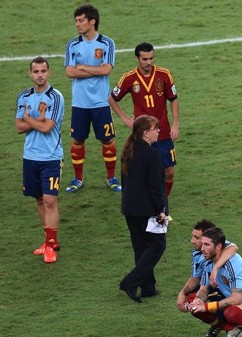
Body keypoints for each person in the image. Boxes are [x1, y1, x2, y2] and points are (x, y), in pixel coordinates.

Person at [109, 42, 180, 197]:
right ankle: (147, 203)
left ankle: (163, 202)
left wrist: (175, 124)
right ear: (137, 59)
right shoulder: (129, 78)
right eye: (145, 59)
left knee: (169, 171)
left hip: (163, 132)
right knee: (143, 172)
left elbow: (173, 99)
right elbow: (112, 98)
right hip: (142, 135)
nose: (149, 63)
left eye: (151, 58)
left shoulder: (164, 75)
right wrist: (126, 119)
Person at [64, 4, 120, 193]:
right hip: (79, 103)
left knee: (108, 141)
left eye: (81, 21)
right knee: (77, 141)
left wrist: (82, 67)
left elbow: (107, 70)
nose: (77, 24)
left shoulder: (106, 43)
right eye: (76, 21)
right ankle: (78, 179)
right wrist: (94, 71)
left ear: (92, 21)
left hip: (101, 102)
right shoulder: (73, 44)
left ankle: (111, 177)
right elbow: (69, 72)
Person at [15, 57, 65, 264]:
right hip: (30, 157)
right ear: (30, 74)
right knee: (38, 199)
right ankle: (49, 241)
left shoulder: (55, 97)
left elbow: (47, 128)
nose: (40, 75)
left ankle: (51, 246)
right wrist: (36, 120)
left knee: (50, 200)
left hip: (51, 157)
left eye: (43, 71)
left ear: (49, 72)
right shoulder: (23, 96)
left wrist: (28, 118)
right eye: (36, 71)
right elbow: (18, 128)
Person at [119, 115, 168, 303]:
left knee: (140, 247)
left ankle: (148, 287)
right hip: (146, 209)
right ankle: (130, 282)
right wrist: (160, 210)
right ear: (146, 133)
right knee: (157, 245)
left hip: (129, 208)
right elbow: (155, 186)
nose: (158, 131)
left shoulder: (128, 151)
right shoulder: (152, 154)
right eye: (155, 128)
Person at [190, 227, 242, 337]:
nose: (202, 248)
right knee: (193, 302)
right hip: (231, 300)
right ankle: (233, 329)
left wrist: (206, 307)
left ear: (218, 247)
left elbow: (237, 299)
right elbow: (203, 289)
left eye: (207, 245)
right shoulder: (208, 262)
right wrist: (197, 301)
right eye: (202, 244)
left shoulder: (232, 264)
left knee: (231, 312)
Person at [177, 219, 239, 337]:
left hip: (232, 291)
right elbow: (195, 278)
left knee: (205, 303)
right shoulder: (197, 254)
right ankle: (223, 326)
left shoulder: (220, 249)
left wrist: (215, 268)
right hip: (213, 287)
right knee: (192, 301)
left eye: (196, 237)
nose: (192, 241)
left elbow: (233, 247)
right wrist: (182, 295)